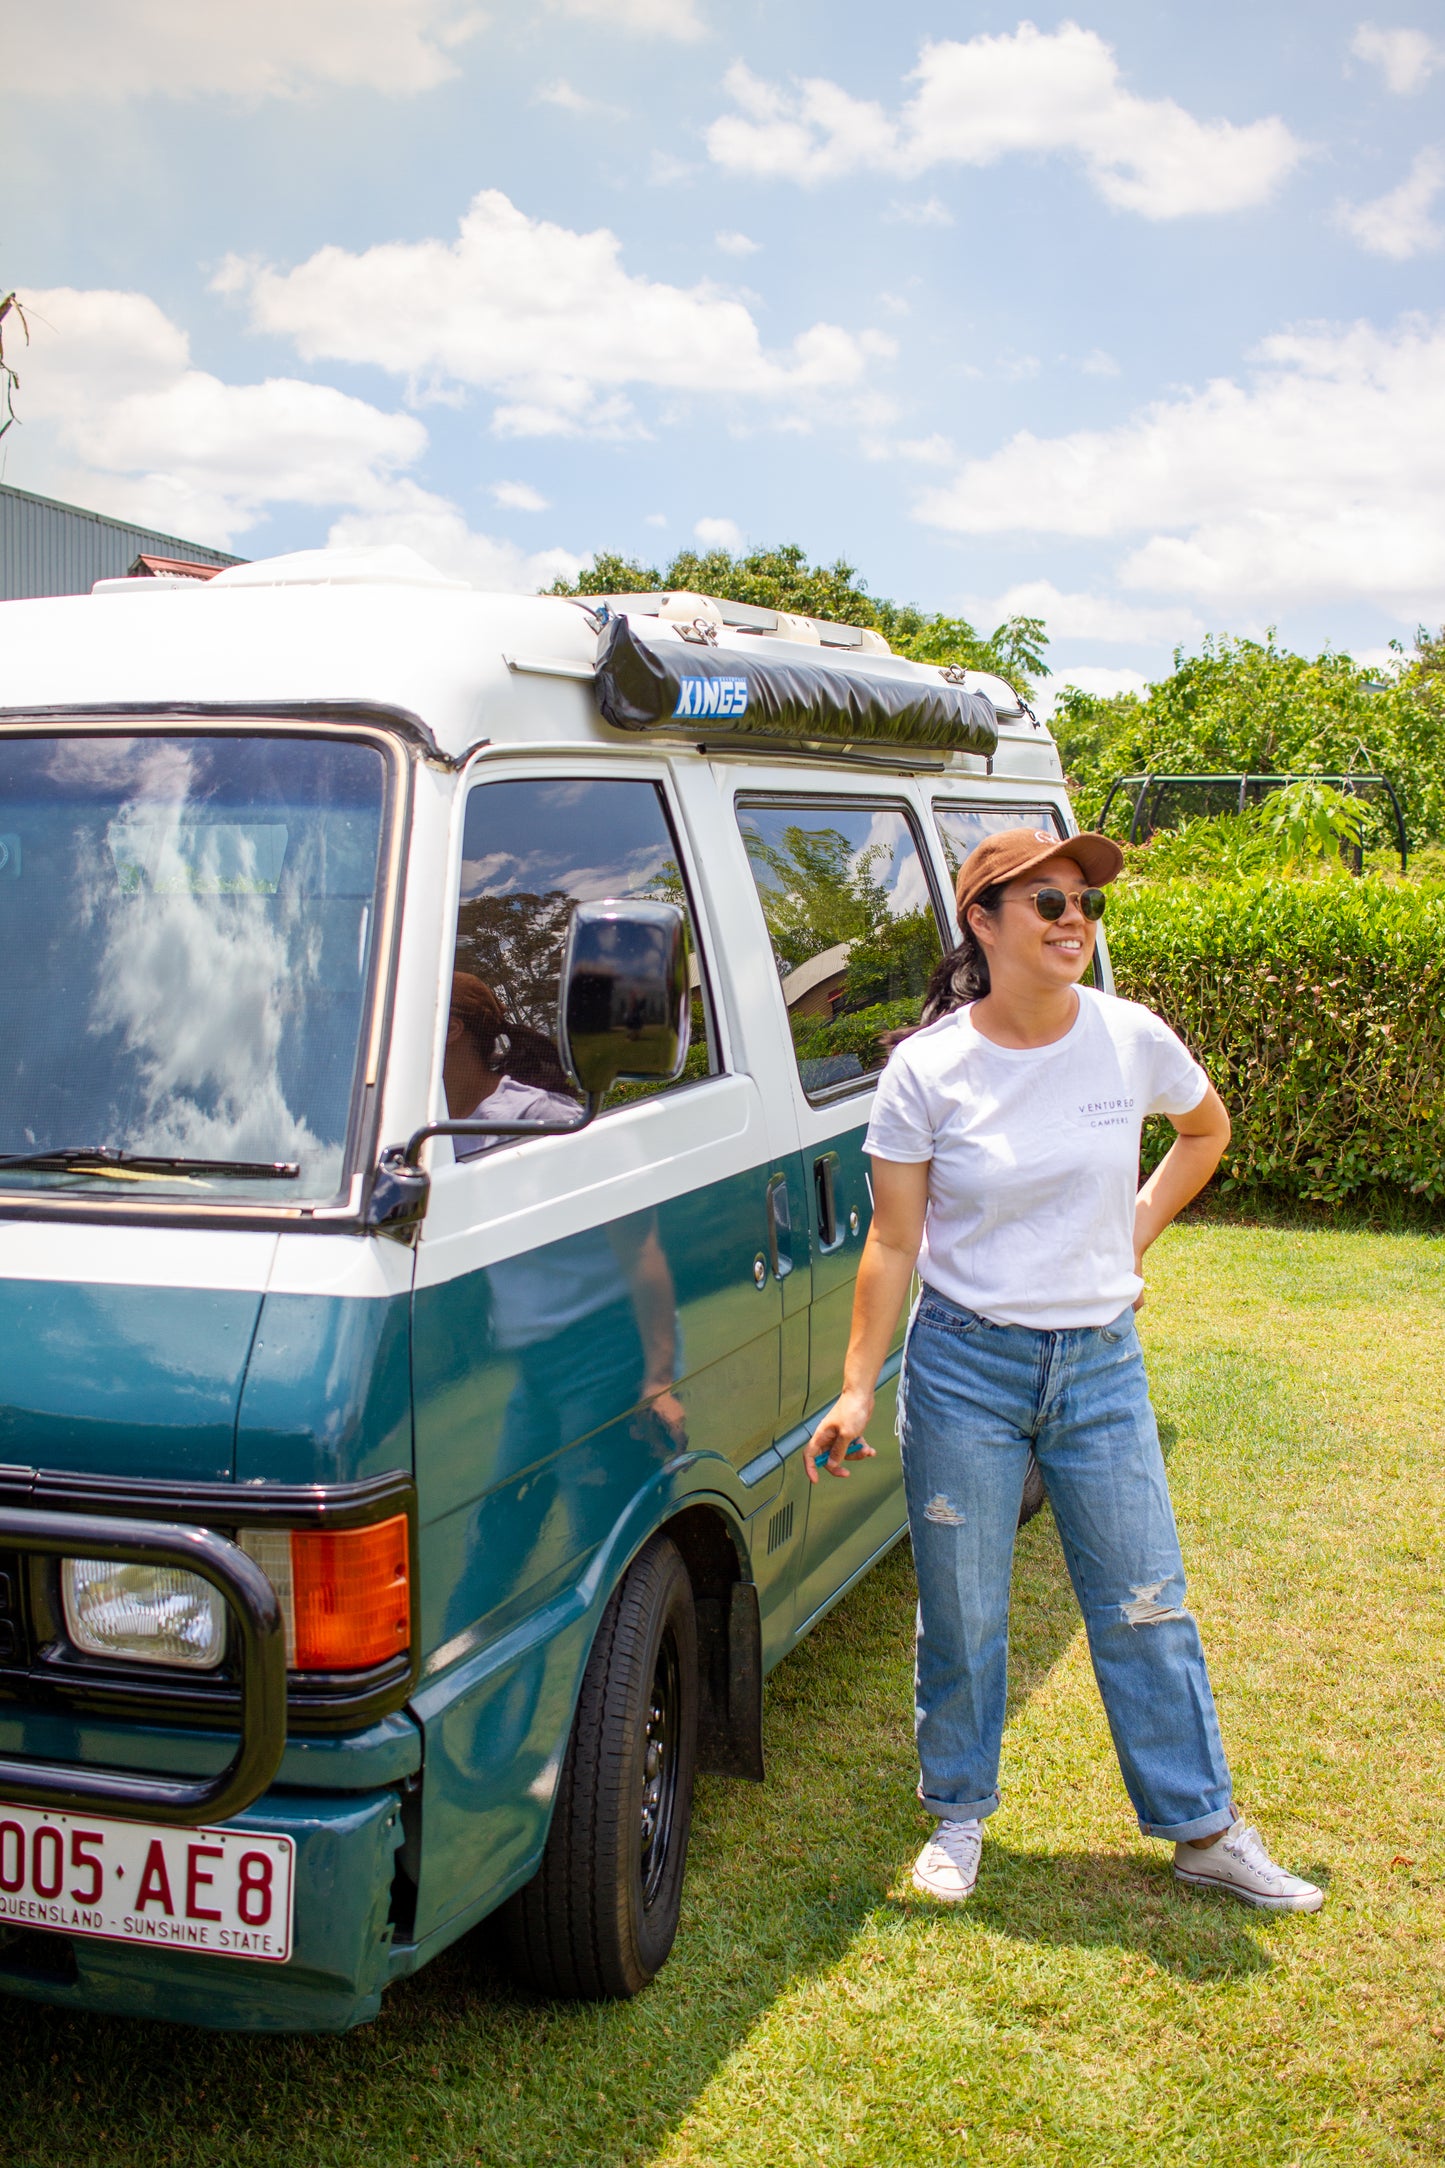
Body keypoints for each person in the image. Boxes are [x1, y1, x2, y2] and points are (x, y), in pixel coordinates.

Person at [808, 829, 1323, 1914]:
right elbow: (891, 1243)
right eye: (1043, 901)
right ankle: (957, 1815)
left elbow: (1202, 1130)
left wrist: (1123, 1239)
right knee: (961, 1603)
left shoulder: (1128, 1037)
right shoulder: (928, 1070)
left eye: (1083, 902)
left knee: (1142, 1598)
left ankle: (1202, 1828)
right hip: (963, 1366)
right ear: (982, 923)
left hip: (1095, 1364)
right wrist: (858, 1384)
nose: (1071, 919)